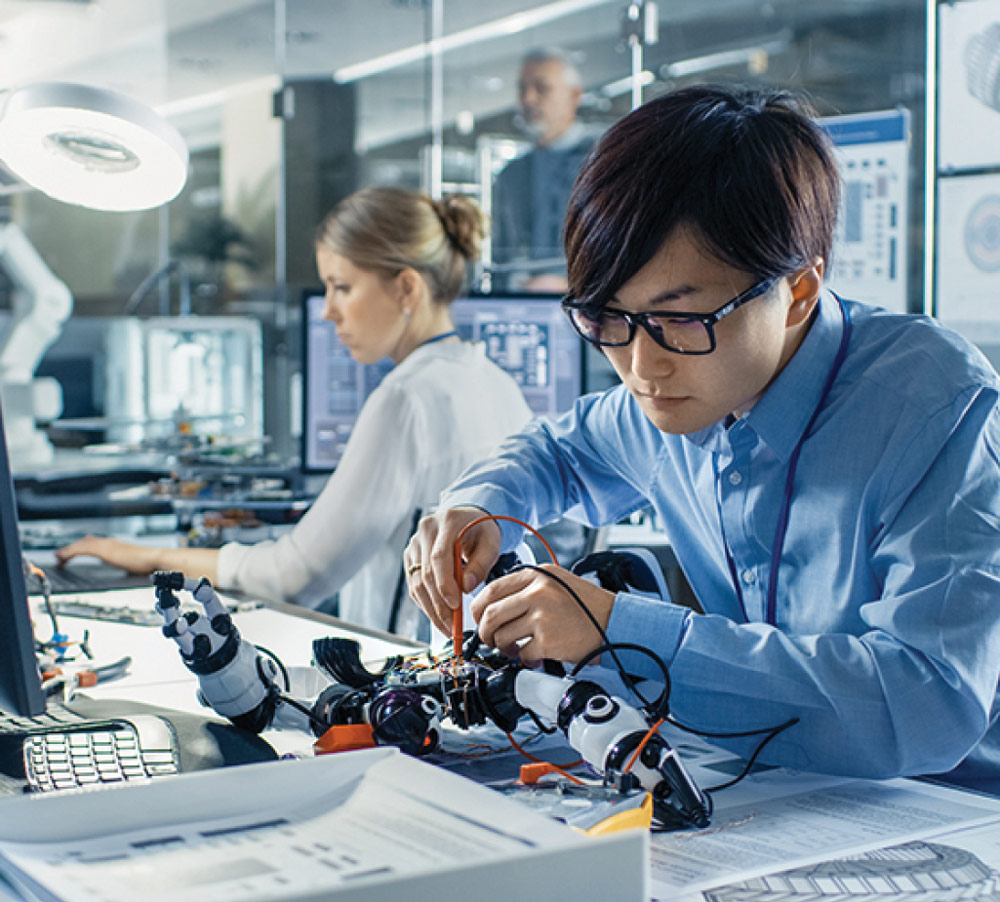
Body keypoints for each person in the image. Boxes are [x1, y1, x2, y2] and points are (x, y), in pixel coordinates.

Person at [404, 85, 1000, 794]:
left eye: (680, 318)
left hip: (944, 815)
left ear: (800, 290)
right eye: (605, 319)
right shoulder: (673, 397)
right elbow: (558, 451)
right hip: (768, 795)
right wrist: (474, 505)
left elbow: (926, 702)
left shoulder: (932, 403)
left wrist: (622, 632)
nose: (640, 365)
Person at [57, 186, 532, 641]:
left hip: (405, 681)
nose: (328, 312)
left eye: (342, 287)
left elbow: (295, 575)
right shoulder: (495, 382)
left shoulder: (406, 398)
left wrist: (141, 556)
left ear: (406, 287)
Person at [490, 47, 598, 293]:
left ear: (574, 96)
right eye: (522, 89)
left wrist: (569, 285)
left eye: (542, 88)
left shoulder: (605, 160)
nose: (528, 99)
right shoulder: (511, 175)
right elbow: (504, 255)